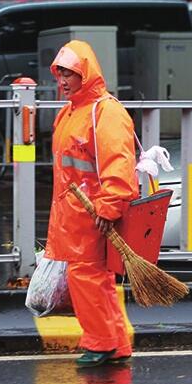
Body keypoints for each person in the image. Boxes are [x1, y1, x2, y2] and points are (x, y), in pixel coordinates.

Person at [45, 40, 139, 367]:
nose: (63, 80)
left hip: (91, 213)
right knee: (94, 280)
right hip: (76, 214)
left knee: (88, 279)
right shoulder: (72, 111)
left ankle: (101, 344)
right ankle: (114, 343)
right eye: (60, 73)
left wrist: (109, 207)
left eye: (70, 73)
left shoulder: (105, 112)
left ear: (86, 73)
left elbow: (119, 164)